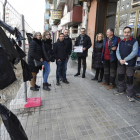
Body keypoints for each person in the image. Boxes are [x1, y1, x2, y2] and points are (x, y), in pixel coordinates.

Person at [115, 26, 138, 102]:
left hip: (130, 63)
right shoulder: (121, 42)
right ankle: (121, 89)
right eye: (125, 32)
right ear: (123, 33)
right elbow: (117, 51)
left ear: (130, 32)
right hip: (121, 62)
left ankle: (129, 94)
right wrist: (120, 59)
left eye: (128, 32)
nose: (126, 33)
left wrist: (125, 60)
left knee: (130, 78)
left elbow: (134, 53)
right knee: (121, 76)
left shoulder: (134, 41)